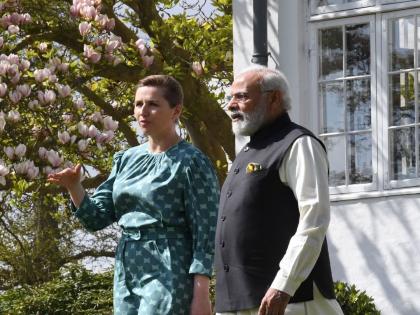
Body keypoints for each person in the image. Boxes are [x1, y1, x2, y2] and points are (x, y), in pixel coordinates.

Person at [48, 75, 219, 315]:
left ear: (175, 110)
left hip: (170, 264)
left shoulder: (192, 162)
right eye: (138, 104)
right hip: (127, 264)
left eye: (153, 104)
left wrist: (201, 293)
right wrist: (74, 187)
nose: (143, 111)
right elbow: (96, 219)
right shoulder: (126, 159)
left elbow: (206, 231)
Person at [214, 66, 344, 315]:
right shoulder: (245, 154)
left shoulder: (299, 143)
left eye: (241, 96)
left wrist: (284, 285)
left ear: (273, 98)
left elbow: (314, 219)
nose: (231, 105)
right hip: (239, 303)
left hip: (291, 301)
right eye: (230, 98)